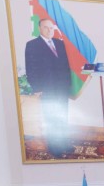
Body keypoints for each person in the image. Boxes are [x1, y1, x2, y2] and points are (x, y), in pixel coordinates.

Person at [24, 18, 74, 157]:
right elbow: (30, 68)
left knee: (62, 116)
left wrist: (68, 84)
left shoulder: (60, 43)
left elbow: (65, 66)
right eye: (46, 27)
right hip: (47, 88)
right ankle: (55, 148)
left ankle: (64, 143)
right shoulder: (32, 45)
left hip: (62, 88)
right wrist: (37, 88)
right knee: (51, 118)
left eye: (51, 28)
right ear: (39, 28)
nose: (49, 30)